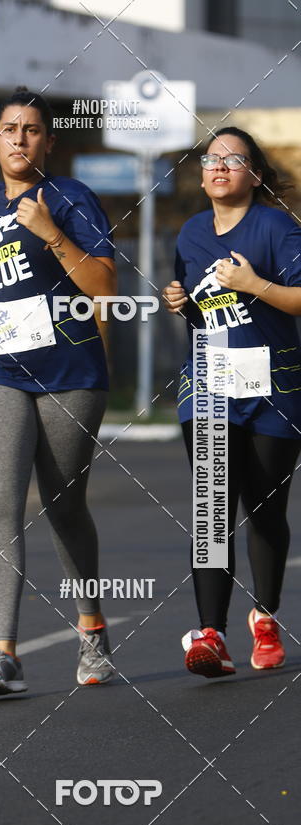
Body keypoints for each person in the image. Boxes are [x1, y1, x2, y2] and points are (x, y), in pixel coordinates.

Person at [0, 86, 118, 695]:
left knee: (64, 507)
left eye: (31, 130)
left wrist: (52, 232)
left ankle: (91, 630)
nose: (18, 139)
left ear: (48, 142)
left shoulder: (71, 198)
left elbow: (104, 288)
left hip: (69, 370)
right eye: (9, 129)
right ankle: (2, 654)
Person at [163, 126, 301, 678]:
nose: (219, 167)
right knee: (212, 509)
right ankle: (211, 635)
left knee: (264, 511)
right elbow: (203, 310)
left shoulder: (276, 226)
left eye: (233, 160)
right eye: (210, 158)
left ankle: (264, 616)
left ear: (257, 175)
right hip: (210, 384)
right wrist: (181, 304)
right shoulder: (191, 234)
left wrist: (254, 284)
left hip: (276, 387)